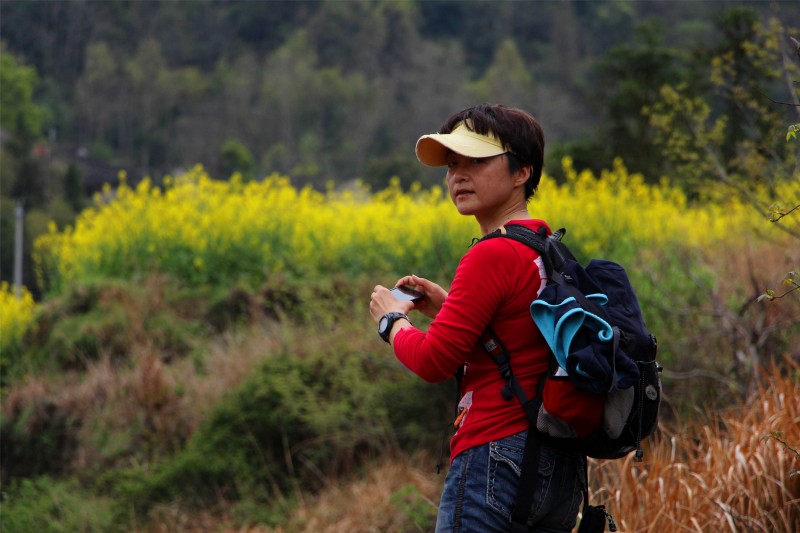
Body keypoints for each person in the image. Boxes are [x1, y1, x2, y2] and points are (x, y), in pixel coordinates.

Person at [369, 103, 584, 532]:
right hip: (556, 465)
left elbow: (434, 361)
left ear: (522, 172)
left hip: (495, 455)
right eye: (453, 164)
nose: (459, 176)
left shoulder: (491, 254)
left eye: (477, 161)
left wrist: (391, 322)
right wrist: (450, 306)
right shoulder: (544, 246)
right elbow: (521, 333)